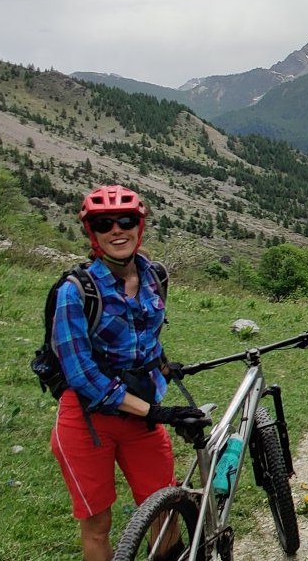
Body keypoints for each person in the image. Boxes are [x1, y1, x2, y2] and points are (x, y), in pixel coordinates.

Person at [49, 185, 201, 561]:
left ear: (139, 226)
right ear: (92, 233)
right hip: (88, 421)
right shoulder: (75, 292)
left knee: (165, 509)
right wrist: (156, 412)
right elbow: (82, 375)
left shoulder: (155, 277)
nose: (117, 230)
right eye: (105, 224)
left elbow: (146, 335)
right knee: (97, 525)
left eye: (126, 220)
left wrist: (162, 364)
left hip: (141, 419)